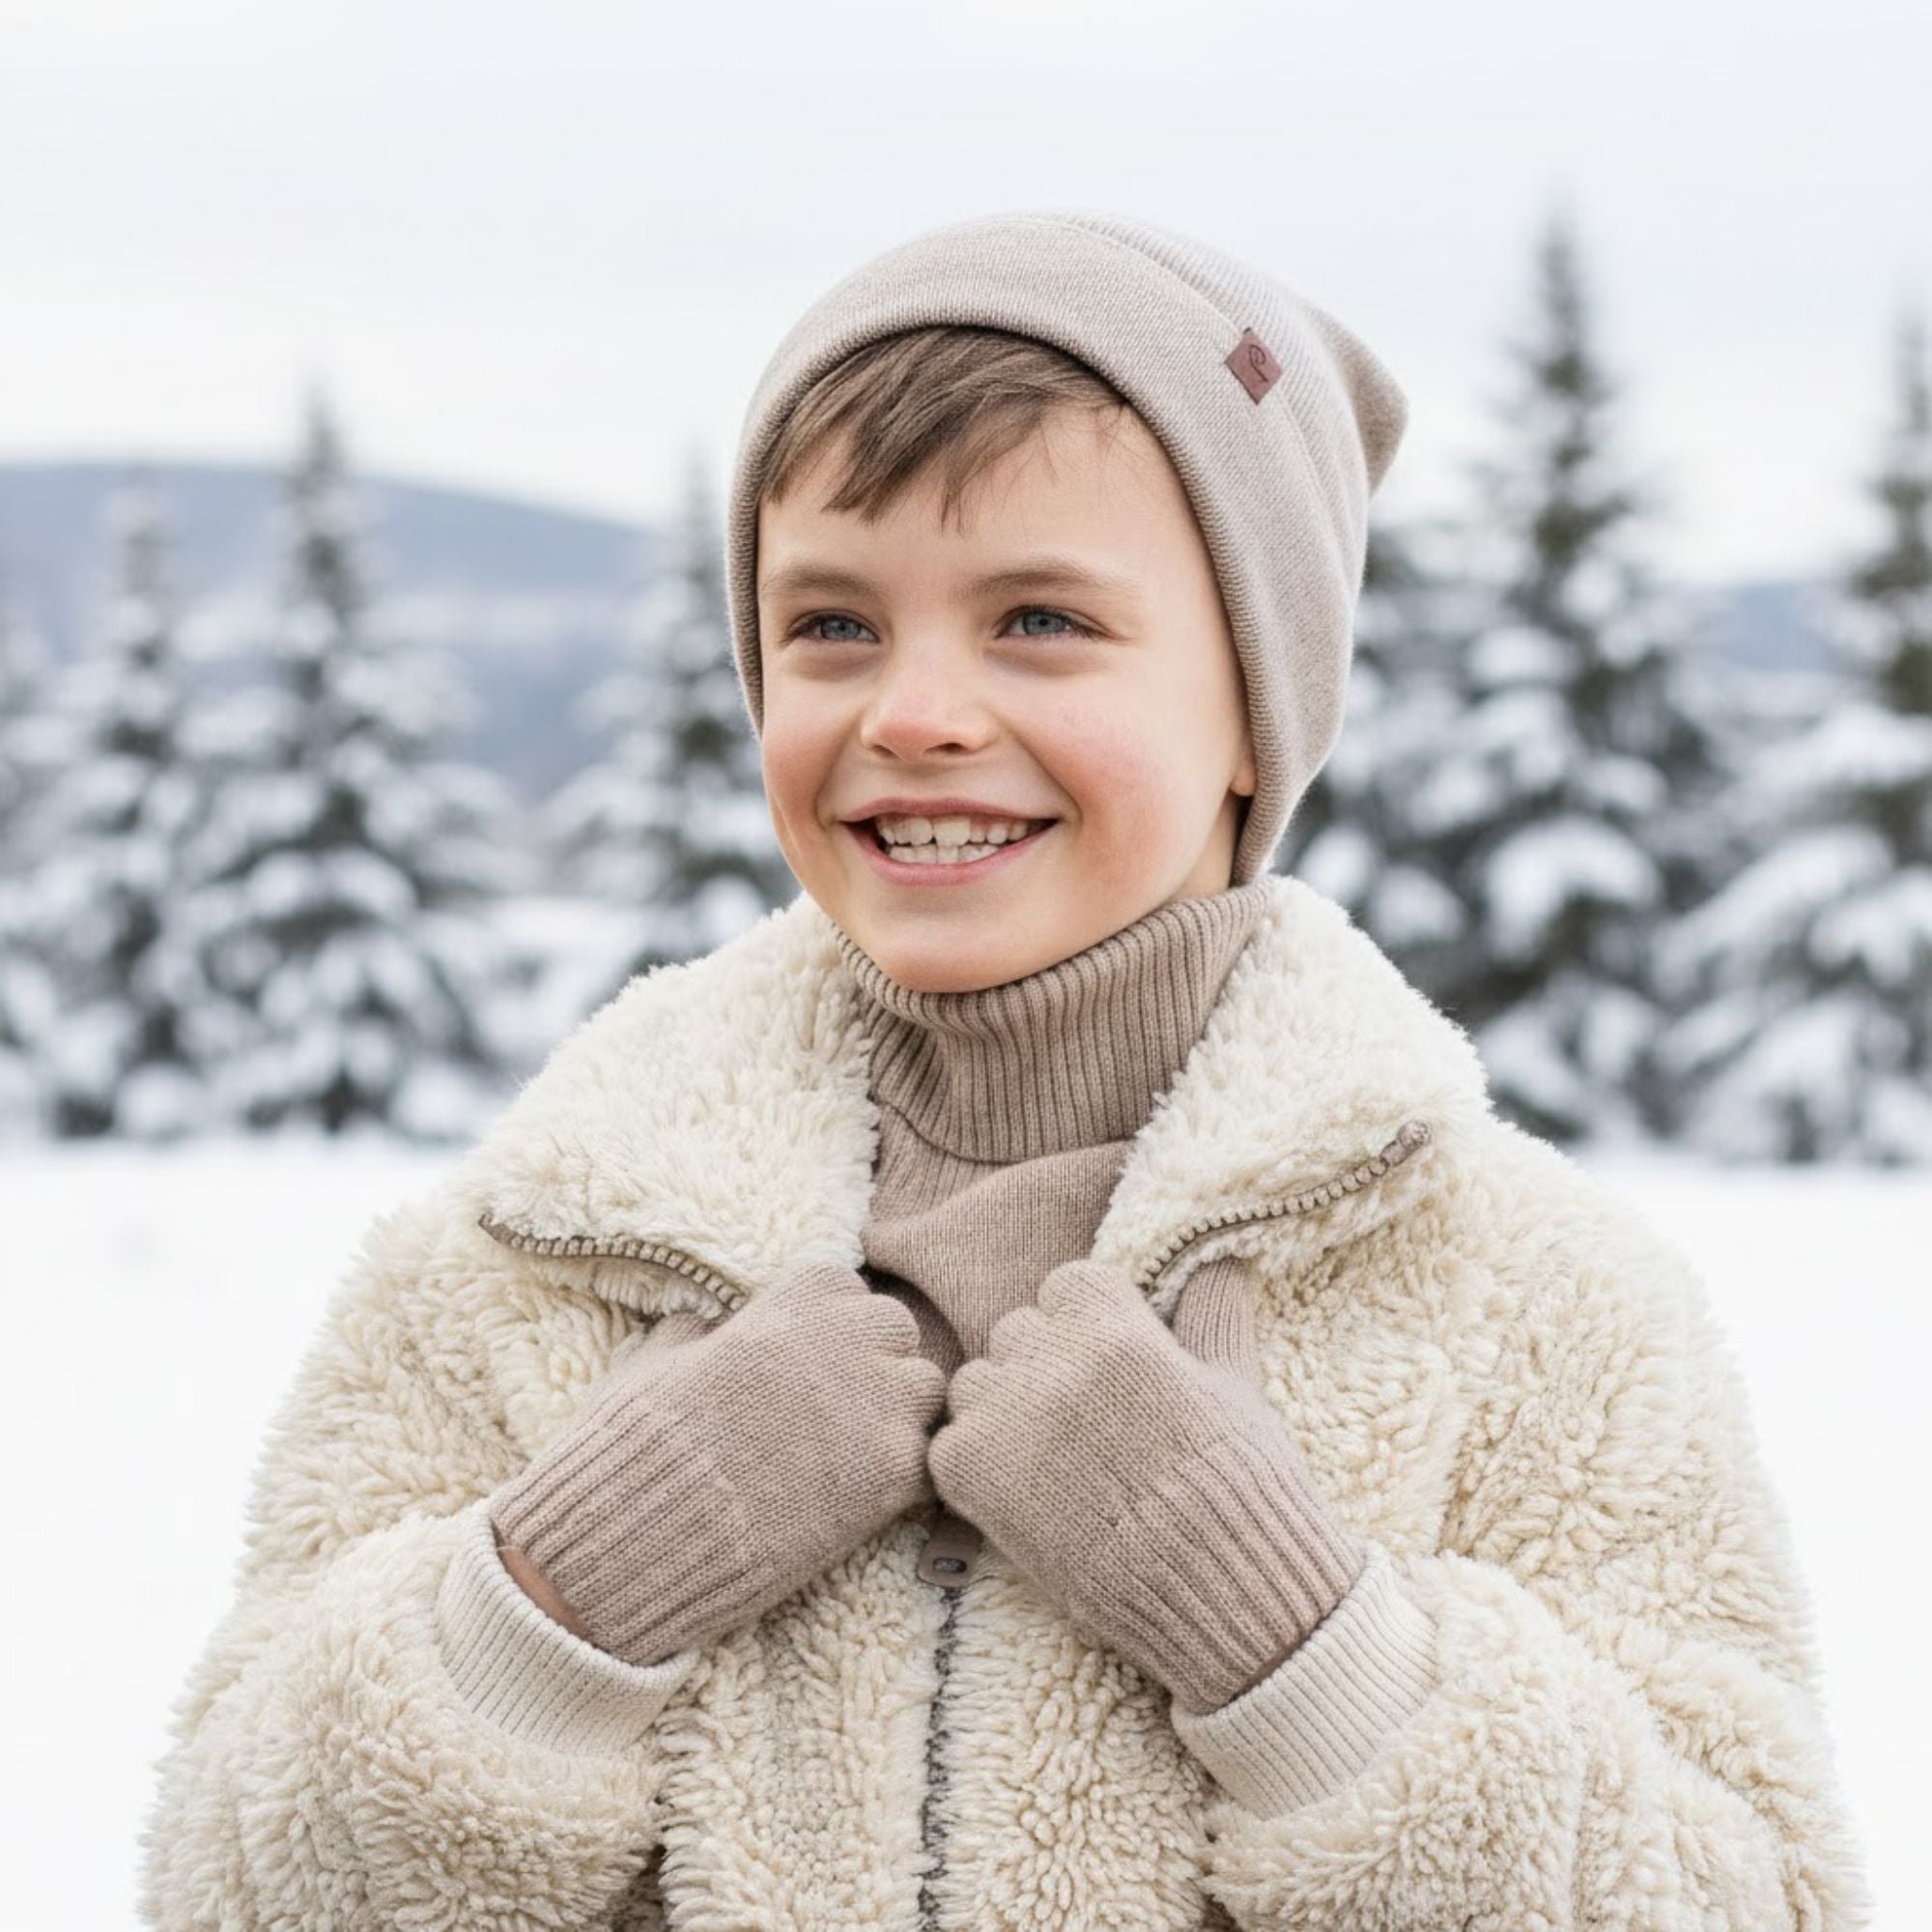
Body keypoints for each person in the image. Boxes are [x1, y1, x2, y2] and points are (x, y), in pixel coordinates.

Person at [136, 210, 1873, 1930]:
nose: (912, 712)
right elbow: (229, 1883)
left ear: (1260, 706)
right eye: (830, 625)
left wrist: (1296, 1640)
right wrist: (565, 1594)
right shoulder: (532, 1264)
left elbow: (1750, 1898)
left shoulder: (1529, 1302)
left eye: (1039, 618)